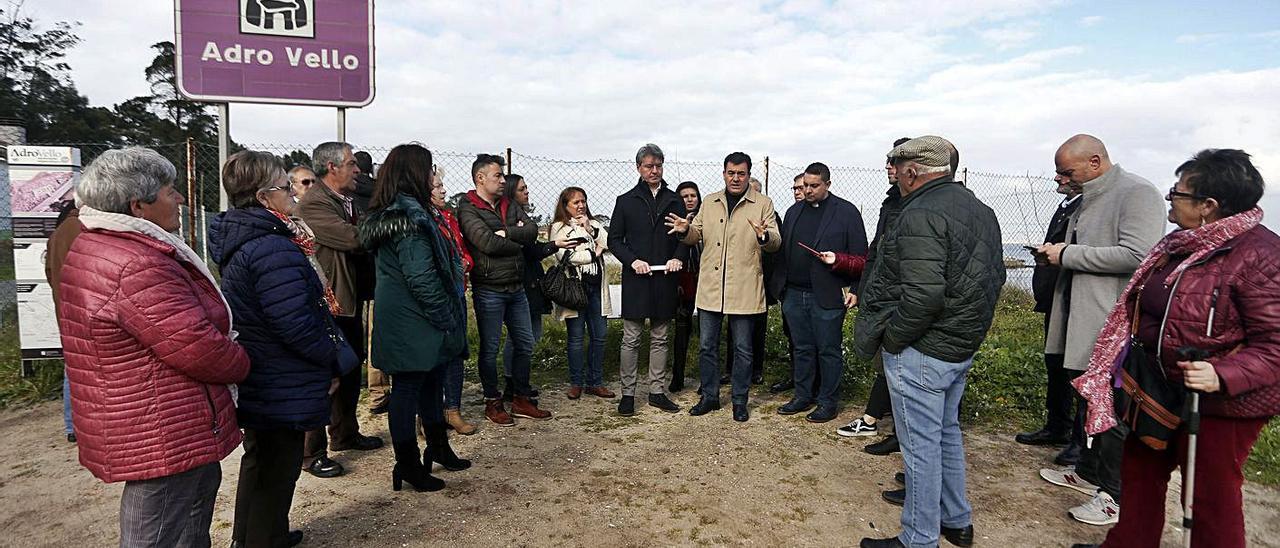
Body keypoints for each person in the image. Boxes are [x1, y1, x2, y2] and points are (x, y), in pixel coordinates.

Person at [1069, 149, 1280, 548]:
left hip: (1219, 402)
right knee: (1141, 470)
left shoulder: (1261, 257)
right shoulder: (1179, 247)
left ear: (1208, 206)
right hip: (1157, 387)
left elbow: (1275, 345)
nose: (1170, 200)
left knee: (1208, 494)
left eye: (1177, 194)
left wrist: (1222, 374)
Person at [58, 147, 250, 547]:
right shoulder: (136, 264)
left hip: (155, 415)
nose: (179, 198)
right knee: (159, 527)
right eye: (169, 191)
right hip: (161, 424)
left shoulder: (101, 244)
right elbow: (197, 346)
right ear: (138, 206)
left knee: (187, 511)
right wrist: (244, 360)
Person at [854, 136, 1004, 548]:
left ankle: (919, 538)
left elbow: (923, 296)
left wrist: (894, 340)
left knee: (920, 447)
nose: (895, 176)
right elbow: (992, 279)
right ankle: (956, 520)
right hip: (959, 345)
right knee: (946, 433)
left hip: (922, 351)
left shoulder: (919, 212)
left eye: (898, 168)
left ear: (913, 171)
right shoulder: (979, 209)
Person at [210, 150, 359, 548]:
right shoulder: (271, 248)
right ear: (263, 198)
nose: (293, 194)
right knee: (276, 463)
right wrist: (328, 360)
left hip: (268, 366)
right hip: (280, 370)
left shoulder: (255, 238)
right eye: (284, 187)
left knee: (264, 460)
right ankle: (262, 538)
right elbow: (294, 320)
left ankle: (261, 533)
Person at [1035, 135, 1166, 526]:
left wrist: (1067, 254)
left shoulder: (1137, 193)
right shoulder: (1088, 194)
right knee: (1089, 401)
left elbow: (1139, 255)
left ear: (1095, 161)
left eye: (1067, 171)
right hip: (1079, 317)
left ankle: (1115, 496)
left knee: (1111, 411)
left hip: (1110, 326)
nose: (1062, 178)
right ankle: (1088, 470)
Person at [358, 143, 472, 493]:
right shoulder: (407, 219)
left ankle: (438, 447)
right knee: (407, 390)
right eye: (430, 169)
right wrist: (445, 315)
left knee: (433, 382)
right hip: (414, 319)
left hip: (421, 319)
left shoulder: (418, 212)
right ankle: (407, 464)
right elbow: (420, 277)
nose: (435, 176)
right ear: (414, 174)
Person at [665, 152, 780, 422]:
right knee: (707, 345)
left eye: (741, 173)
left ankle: (740, 400)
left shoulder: (763, 203)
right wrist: (685, 229)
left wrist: (763, 235)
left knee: (742, 348)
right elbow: (696, 235)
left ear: (749, 175)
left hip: (744, 286)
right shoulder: (710, 201)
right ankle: (710, 396)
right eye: (731, 173)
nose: (736, 178)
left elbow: (775, 241)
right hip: (712, 287)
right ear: (724, 173)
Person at [297, 141, 384, 479]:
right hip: (329, 303)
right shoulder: (314, 205)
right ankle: (311, 452)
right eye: (351, 164)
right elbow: (355, 238)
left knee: (350, 368)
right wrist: (384, 227)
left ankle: (345, 433)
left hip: (350, 299)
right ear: (331, 168)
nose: (358, 170)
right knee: (326, 376)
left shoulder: (344, 201)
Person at [456, 154, 551, 425]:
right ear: (480, 178)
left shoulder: (508, 204)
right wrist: (514, 238)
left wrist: (506, 234)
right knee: (489, 348)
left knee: (525, 343)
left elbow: (531, 230)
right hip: (489, 289)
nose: (502, 180)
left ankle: (521, 398)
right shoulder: (468, 207)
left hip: (516, 287)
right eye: (497, 175)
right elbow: (485, 242)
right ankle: (492, 401)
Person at [770, 162, 867, 423]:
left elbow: (862, 257)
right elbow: (783, 253)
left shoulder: (846, 212)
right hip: (793, 293)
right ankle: (803, 395)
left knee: (828, 350)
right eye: (805, 186)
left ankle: (827, 401)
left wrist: (856, 290)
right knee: (801, 348)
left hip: (826, 295)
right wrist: (781, 289)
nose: (808, 191)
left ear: (827, 184)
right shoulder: (793, 212)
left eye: (814, 186)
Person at [837, 137, 911, 452]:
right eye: (888, 161)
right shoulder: (892, 202)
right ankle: (874, 422)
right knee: (890, 361)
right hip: (886, 296)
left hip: (909, 298)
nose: (888, 168)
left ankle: (894, 430)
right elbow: (876, 249)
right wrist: (860, 288)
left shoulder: (919, 204)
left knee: (904, 365)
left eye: (894, 162)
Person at [608, 144, 686, 415]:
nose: (654, 171)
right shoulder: (626, 200)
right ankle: (627, 394)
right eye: (648, 166)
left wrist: (678, 256)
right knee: (631, 338)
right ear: (639, 168)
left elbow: (684, 237)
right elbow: (614, 240)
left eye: (658, 166)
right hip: (637, 279)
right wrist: (633, 261)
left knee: (660, 336)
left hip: (665, 277)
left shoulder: (675, 200)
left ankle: (657, 391)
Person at [1014, 162, 1083, 463]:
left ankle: (1078, 438)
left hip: (1074, 300)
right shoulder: (1066, 205)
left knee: (1076, 369)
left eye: (1066, 173)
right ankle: (1057, 425)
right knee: (1054, 363)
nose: (1058, 178)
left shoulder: (1085, 207)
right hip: (1054, 298)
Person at [501, 173, 572, 403]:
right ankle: (512, 384)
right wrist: (553, 245)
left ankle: (518, 382)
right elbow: (529, 250)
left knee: (529, 335)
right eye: (522, 189)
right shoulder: (511, 220)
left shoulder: (521, 217)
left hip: (531, 283)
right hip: (523, 284)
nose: (527, 192)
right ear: (512, 192)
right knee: (520, 337)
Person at [550, 187, 616, 401]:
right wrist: (593, 253)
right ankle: (576, 382)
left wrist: (591, 230)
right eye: (575, 202)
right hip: (575, 289)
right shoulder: (559, 228)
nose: (580, 206)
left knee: (600, 336)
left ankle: (595, 382)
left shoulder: (594, 224)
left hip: (596, 288)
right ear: (565, 205)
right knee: (576, 338)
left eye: (583, 201)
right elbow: (565, 256)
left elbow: (609, 242)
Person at [433, 166, 479, 436]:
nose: (444, 190)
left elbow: (464, 251)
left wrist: (465, 263)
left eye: (442, 186)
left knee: (456, 353)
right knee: (434, 356)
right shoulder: (421, 220)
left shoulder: (449, 218)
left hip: (457, 292)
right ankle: (429, 413)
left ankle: (453, 409)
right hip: (437, 296)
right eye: (437, 187)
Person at [767, 173, 809, 395]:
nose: (798, 192)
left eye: (801, 187)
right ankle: (796, 378)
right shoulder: (790, 215)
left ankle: (812, 384)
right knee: (792, 337)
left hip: (814, 291)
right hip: (789, 289)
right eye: (795, 188)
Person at [45, 199, 82, 444]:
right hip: (84, 309)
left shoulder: (56, 235)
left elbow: (49, 273)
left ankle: (71, 425)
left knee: (72, 367)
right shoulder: (84, 229)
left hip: (65, 310)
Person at [670, 181, 702, 393]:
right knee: (682, 330)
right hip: (682, 282)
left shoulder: (706, 218)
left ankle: (706, 380)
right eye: (685, 196)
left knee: (708, 333)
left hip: (705, 280)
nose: (690, 199)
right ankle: (677, 376)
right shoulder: (672, 220)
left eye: (693, 195)